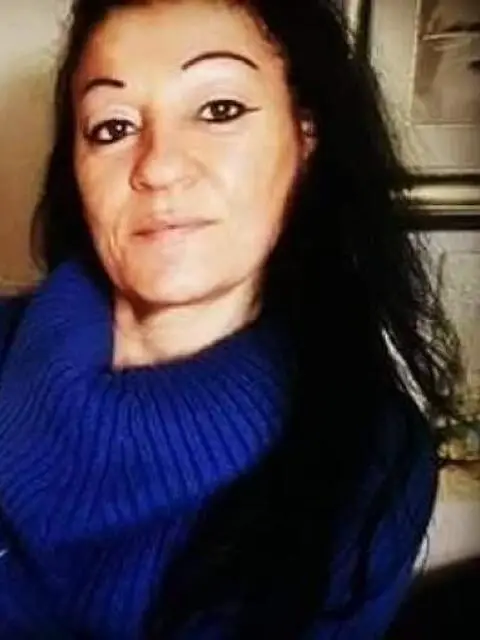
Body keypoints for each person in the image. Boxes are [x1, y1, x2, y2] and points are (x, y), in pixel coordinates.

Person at [0, 0, 460, 638]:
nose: (158, 166)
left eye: (219, 110)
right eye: (112, 126)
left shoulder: (370, 460)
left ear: (304, 137)